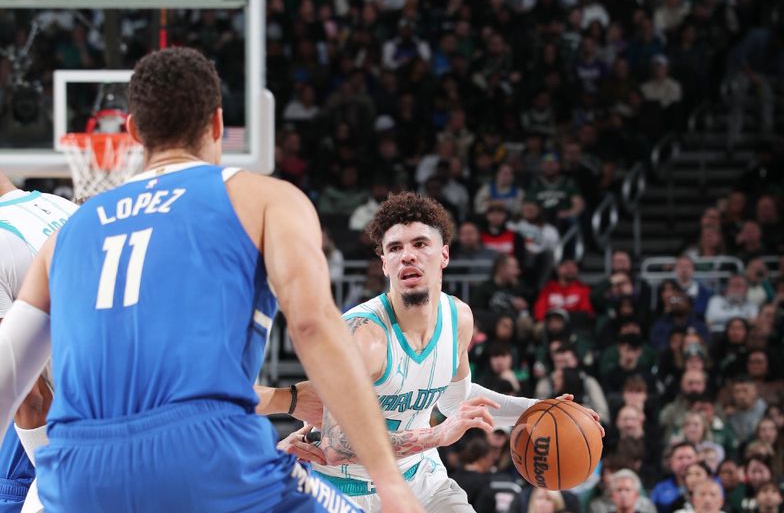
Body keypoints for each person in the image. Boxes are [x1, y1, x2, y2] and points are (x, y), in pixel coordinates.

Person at [0, 47, 424, 513]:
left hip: (75, 472)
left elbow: (10, 369)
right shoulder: (265, 198)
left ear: (134, 132)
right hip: (205, 454)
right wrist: (390, 481)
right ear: (219, 124)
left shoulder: (70, 231)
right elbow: (311, 326)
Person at [312, 192, 604, 512]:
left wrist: (538, 408)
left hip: (421, 478)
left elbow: (456, 401)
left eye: (420, 244)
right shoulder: (362, 335)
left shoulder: (458, 318)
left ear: (444, 256)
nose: (407, 255)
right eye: (395, 248)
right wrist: (437, 436)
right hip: (346, 489)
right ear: (384, 264)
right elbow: (336, 446)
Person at [0, 174, 78, 513]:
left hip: (44, 449)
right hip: (115, 418)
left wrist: (56, 487)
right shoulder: (67, 209)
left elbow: (27, 395)